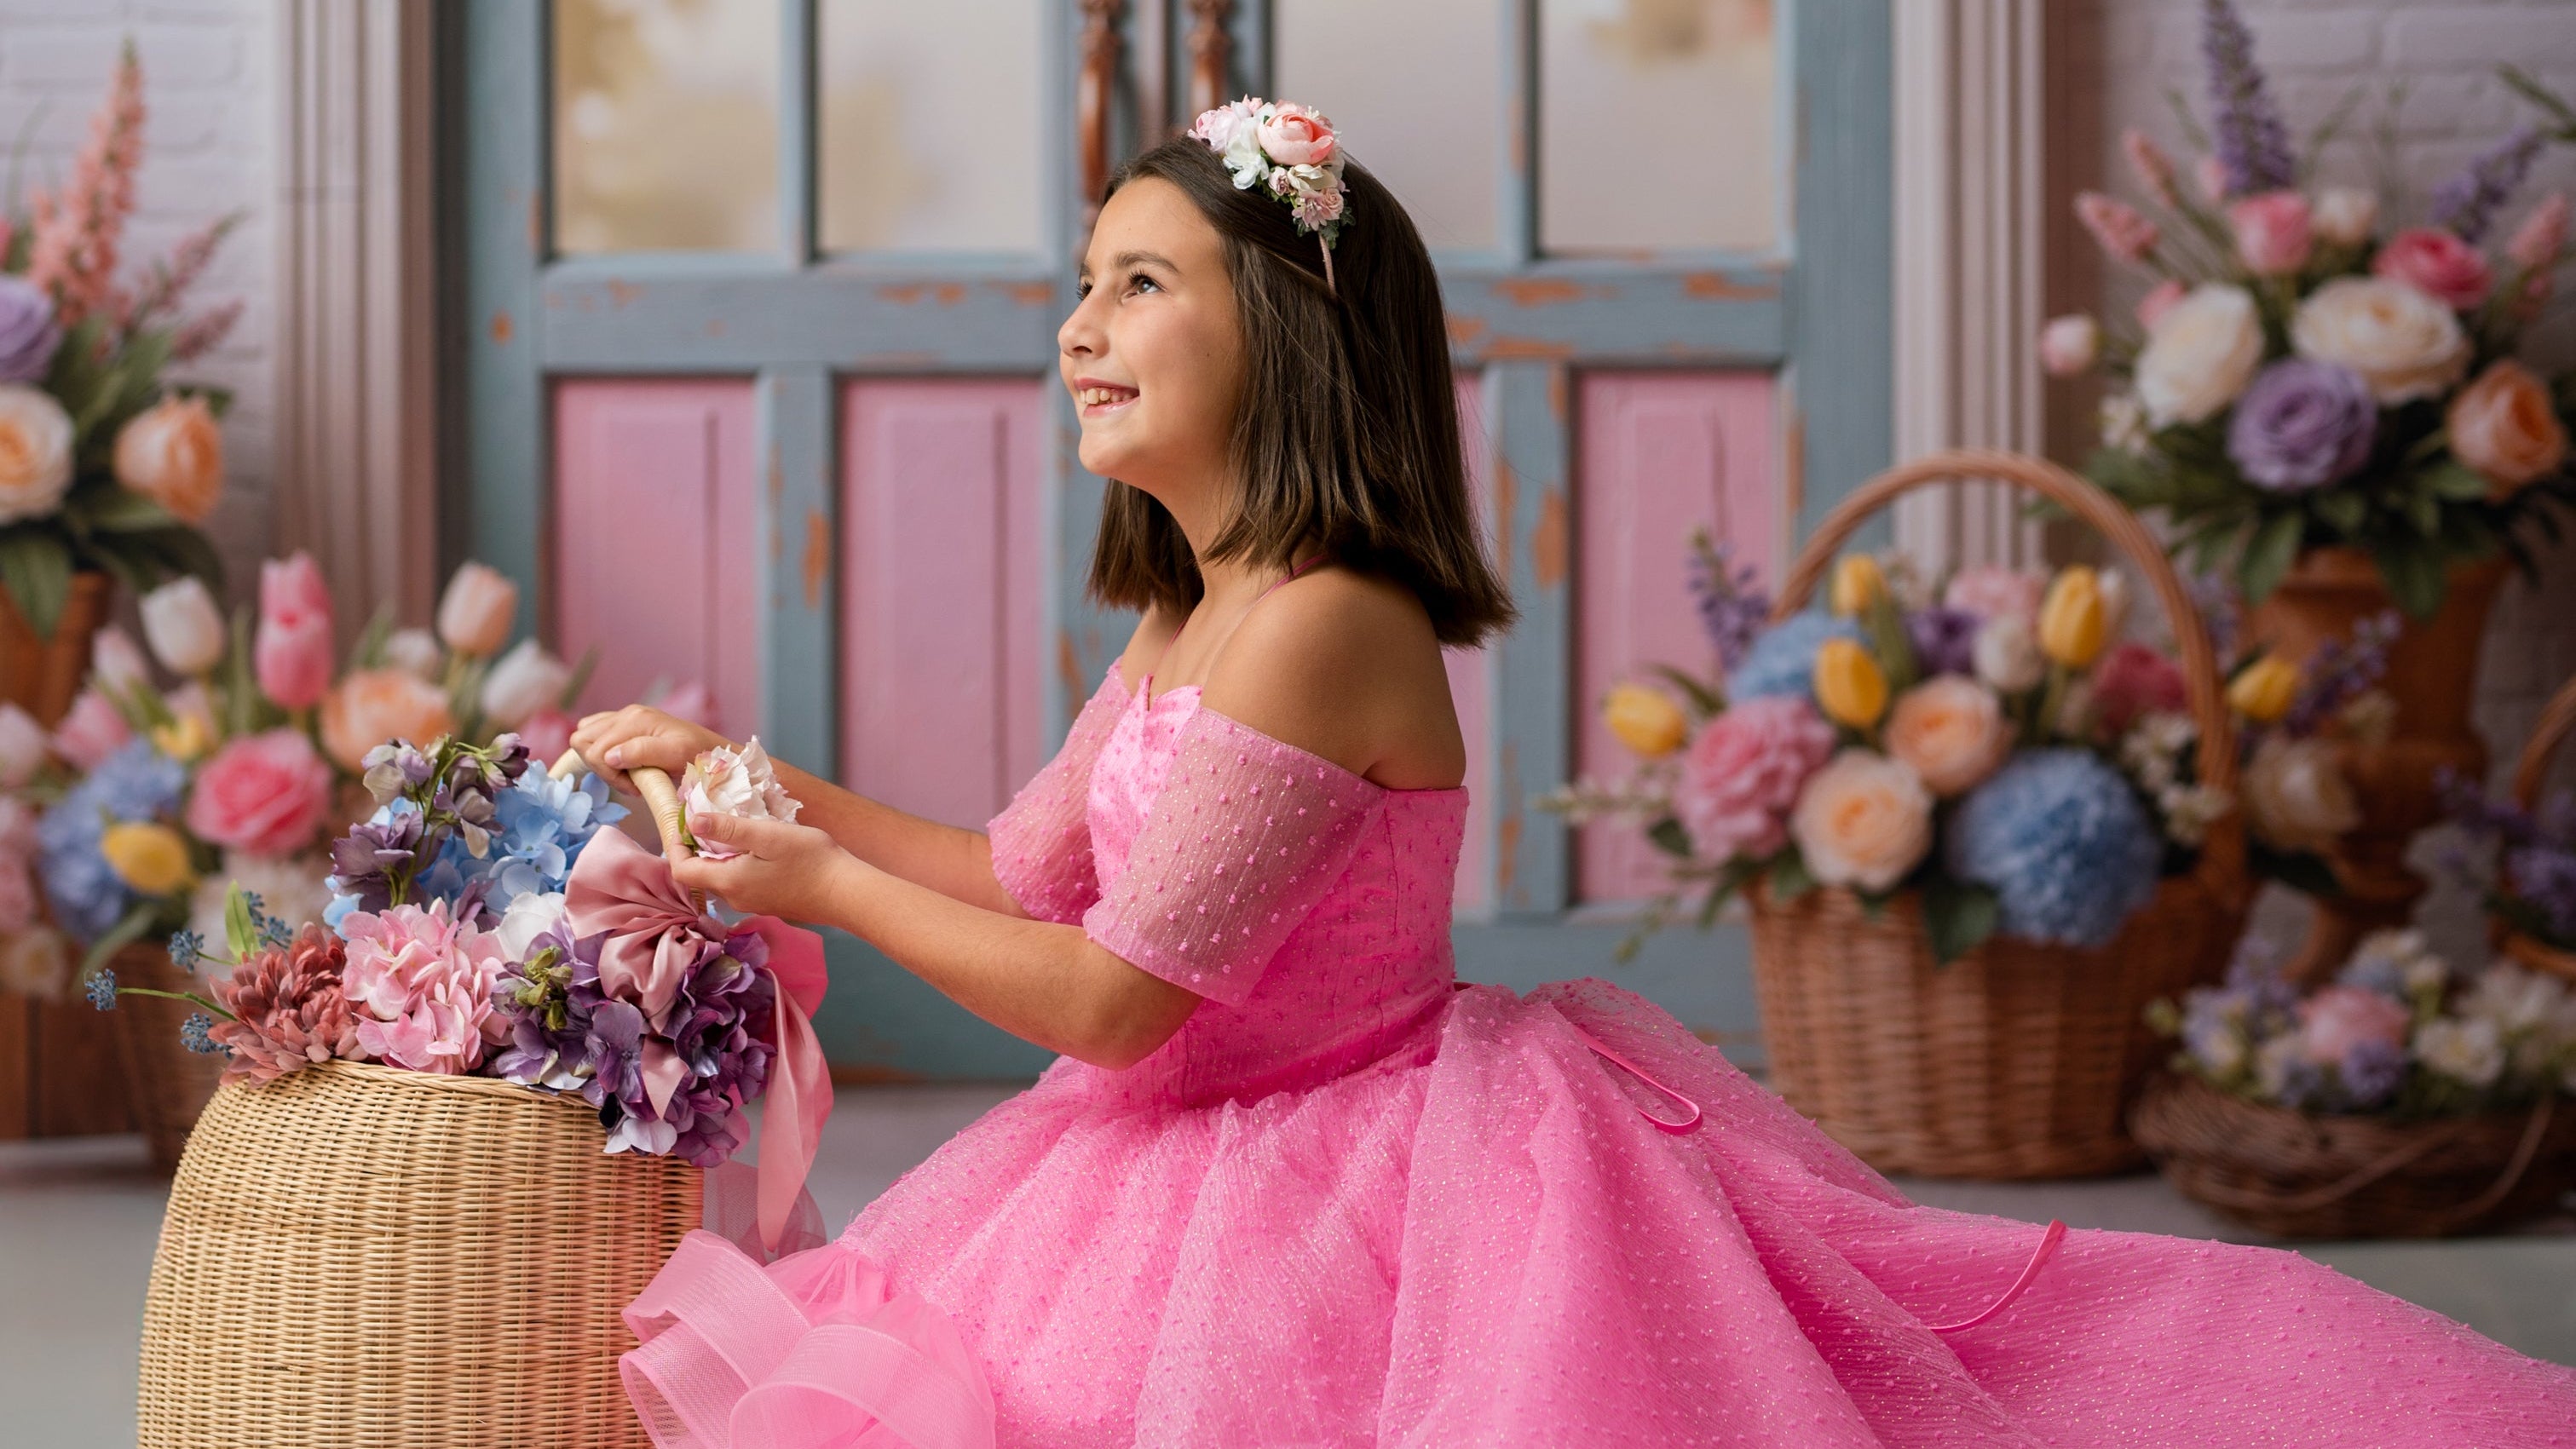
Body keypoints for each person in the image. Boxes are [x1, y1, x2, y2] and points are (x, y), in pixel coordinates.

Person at [572, 101, 2576, 1449]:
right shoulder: (1199, 609)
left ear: (1285, 329)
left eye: (1139, 283)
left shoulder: (1324, 616)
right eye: (1085, 284)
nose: (1079, 329)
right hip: (1154, 1152)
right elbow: (1023, 875)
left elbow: (1112, 997)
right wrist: (770, 787)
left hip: (1348, 1156)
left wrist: (807, 889)